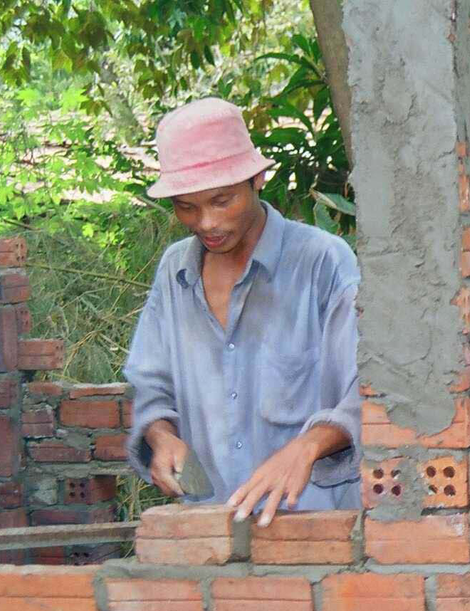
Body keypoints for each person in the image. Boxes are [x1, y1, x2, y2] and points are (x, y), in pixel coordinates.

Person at [124, 98, 361, 526]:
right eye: (186, 207)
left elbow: (368, 389)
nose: (206, 223)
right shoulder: (175, 270)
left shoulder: (323, 262)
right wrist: (161, 437)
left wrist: (306, 446)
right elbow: (150, 381)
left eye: (221, 201)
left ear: (258, 179)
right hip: (212, 531)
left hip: (315, 530)